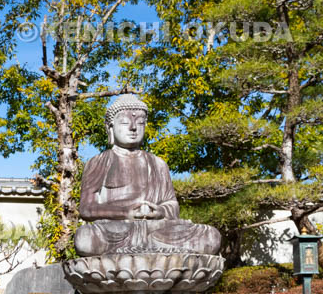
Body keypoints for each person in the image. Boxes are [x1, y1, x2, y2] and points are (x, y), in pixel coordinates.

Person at [74, 94, 221, 256]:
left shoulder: (157, 164)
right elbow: (87, 209)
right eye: (124, 122)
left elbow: (172, 204)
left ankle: (149, 248)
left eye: (140, 122)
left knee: (210, 236)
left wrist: (160, 211)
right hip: (117, 229)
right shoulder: (99, 161)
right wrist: (125, 213)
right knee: (85, 238)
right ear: (110, 127)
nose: (133, 127)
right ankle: (156, 250)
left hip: (156, 228)